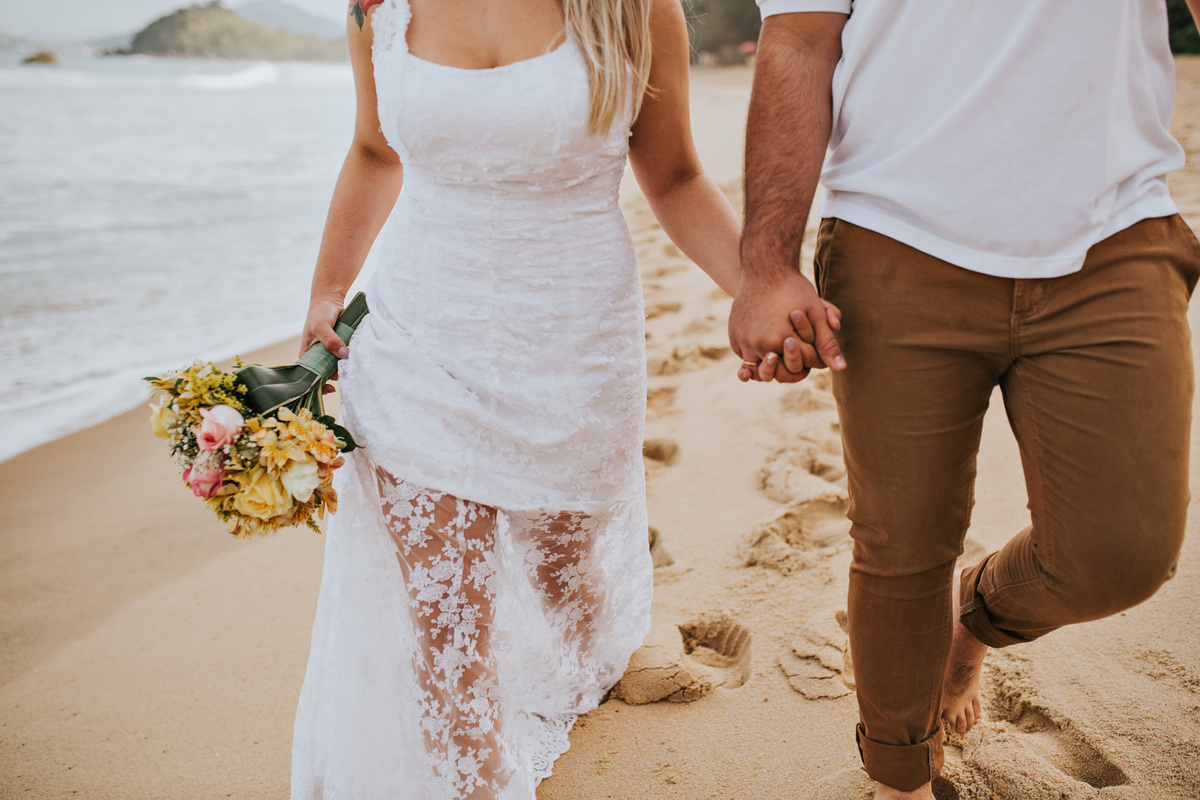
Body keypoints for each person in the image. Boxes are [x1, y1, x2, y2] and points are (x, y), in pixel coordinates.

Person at [728, 2, 1200, 799]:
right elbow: (800, 40)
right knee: (902, 543)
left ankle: (971, 618)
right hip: (893, 231)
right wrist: (767, 263)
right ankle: (900, 775)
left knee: (1120, 555)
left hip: (1115, 232)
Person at [289, 0, 754, 797]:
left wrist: (762, 289)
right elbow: (374, 151)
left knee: (565, 571)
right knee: (446, 625)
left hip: (573, 341)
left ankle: (599, 661)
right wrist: (327, 291)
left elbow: (674, 176)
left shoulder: (635, 9)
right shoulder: (379, 9)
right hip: (415, 338)